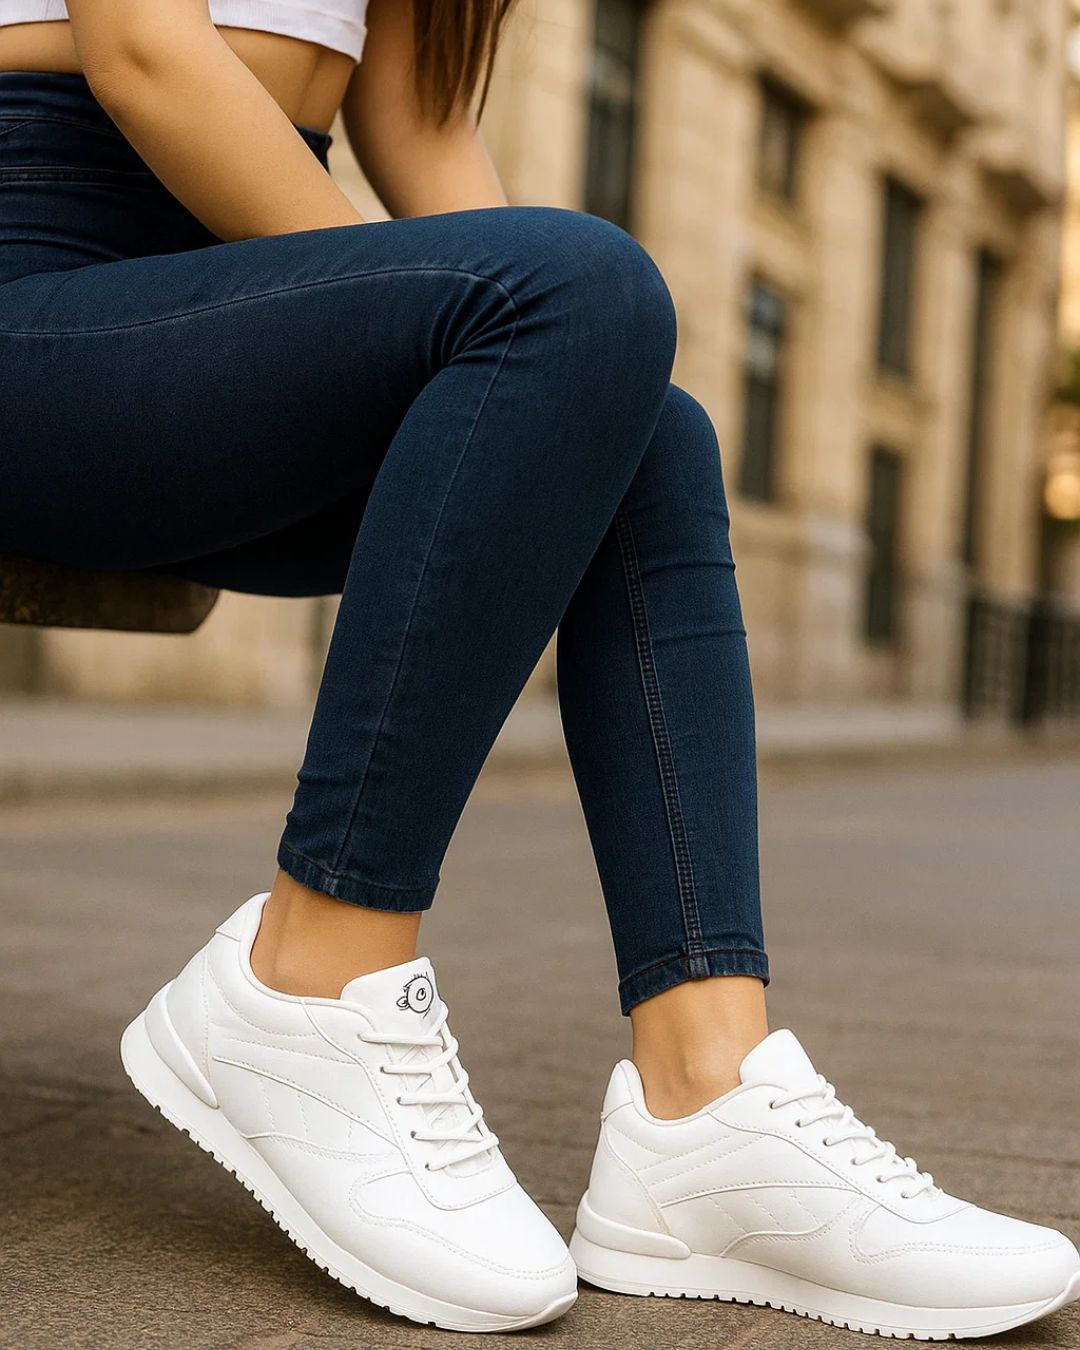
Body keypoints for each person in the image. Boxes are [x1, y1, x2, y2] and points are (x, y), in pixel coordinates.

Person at [2, 0, 1077, 1338]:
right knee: (577, 294)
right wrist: (483, 325)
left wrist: (550, 368)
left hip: (211, 311)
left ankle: (705, 1101)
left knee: (641, 432)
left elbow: (416, 113)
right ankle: (303, 981)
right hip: (29, 266)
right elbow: (144, 57)